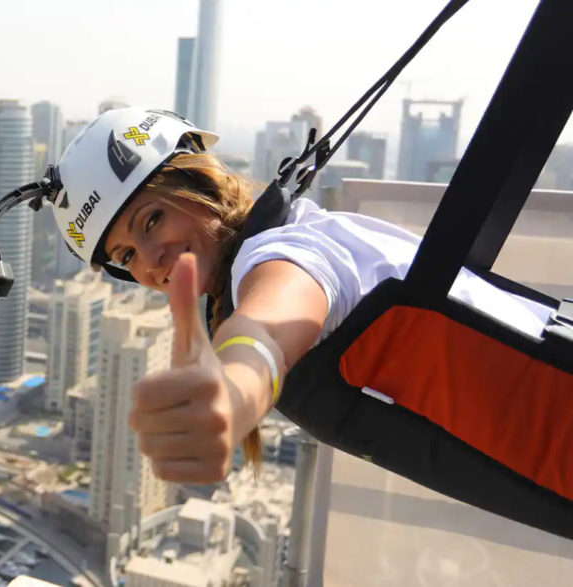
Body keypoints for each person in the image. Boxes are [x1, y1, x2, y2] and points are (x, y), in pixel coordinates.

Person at [52, 106, 553, 485]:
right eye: (125, 256)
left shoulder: (283, 253)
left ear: (198, 183)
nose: (149, 260)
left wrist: (231, 393)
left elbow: (270, 324)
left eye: (151, 220)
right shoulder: (293, 230)